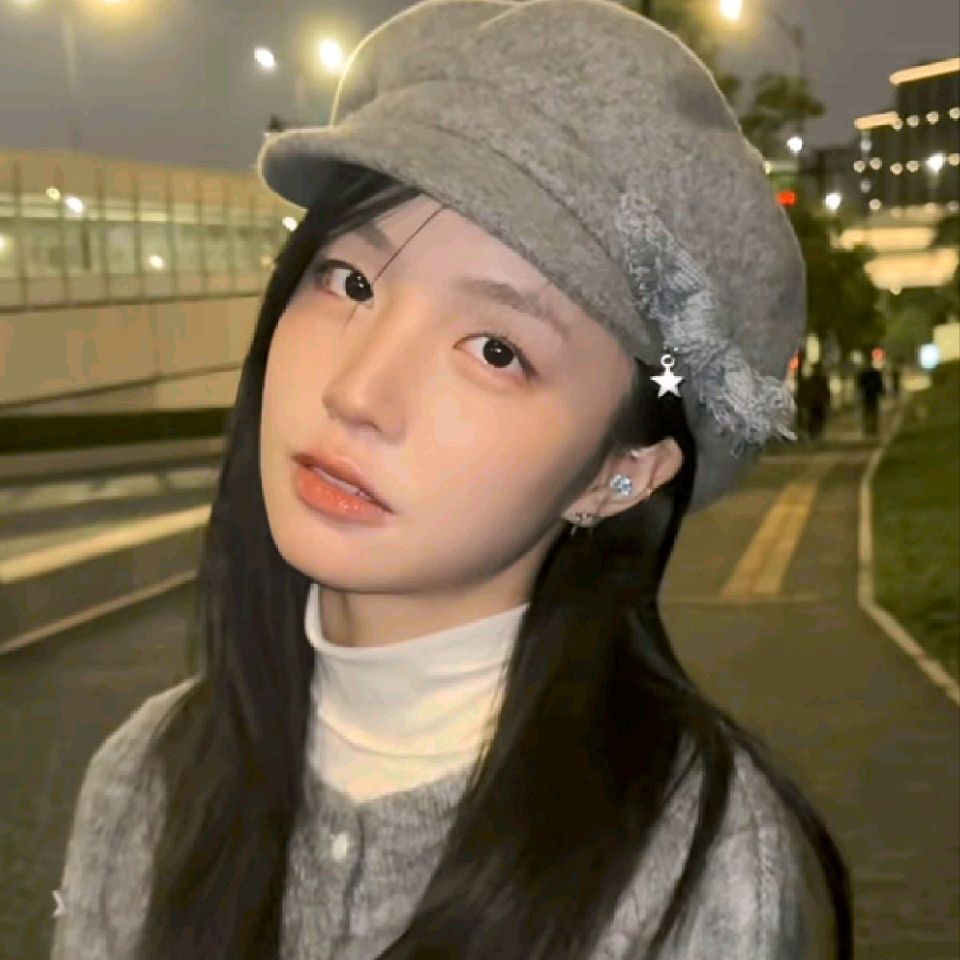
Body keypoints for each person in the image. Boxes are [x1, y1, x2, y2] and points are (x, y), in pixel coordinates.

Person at [51, 2, 850, 959]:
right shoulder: (146, 779)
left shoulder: (696, 869)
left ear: (620, 475)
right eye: (350, 282)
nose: (358, 392)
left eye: (496, 349)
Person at [857, 362, 886, 439]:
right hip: (873, 396)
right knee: (873, 413)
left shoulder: (863, 374)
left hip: (867, 396)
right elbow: (880, 384)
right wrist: (881, 392)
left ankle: (868, 429)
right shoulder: (875, 373)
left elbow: (860, 385)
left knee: (867, 413)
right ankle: (873, 428)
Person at [805, 362, 831, 443]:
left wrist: (827, 400)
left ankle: (817, 435)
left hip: (818, 403)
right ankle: (815, 435)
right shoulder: (814, 379)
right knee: (814, 419)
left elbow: (826, 391)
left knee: (818, 419)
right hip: (815, 403)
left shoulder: (821, 379)